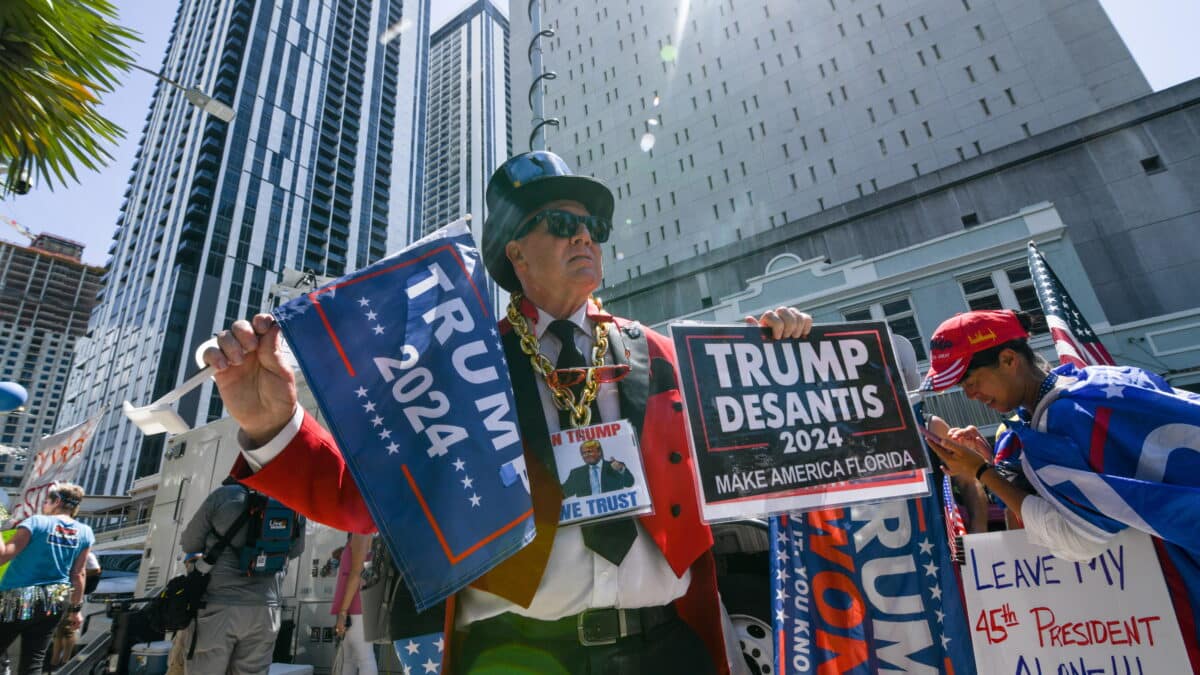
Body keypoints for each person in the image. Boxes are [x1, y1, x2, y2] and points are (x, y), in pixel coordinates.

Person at [202, 150, 813, 674]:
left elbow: (759, 456)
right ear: (516, 255)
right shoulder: (463, 368)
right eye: (559, 222)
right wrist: (272, 425)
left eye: (591, 223)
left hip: (668, 647)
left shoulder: (656, 350)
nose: (584, 235)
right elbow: (369, 502)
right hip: (519, 654)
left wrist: (779, 362)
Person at [921, 309, 1200, 669]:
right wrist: (993, 464)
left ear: (1008, 359)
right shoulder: (1100, 382)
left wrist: (980, 471)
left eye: (970, 379)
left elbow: (1079, 535)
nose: (969, 393)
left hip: (1181, 588)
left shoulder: (1059, 421)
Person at [179, 481, 306, 674]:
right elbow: (296, 551)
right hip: (265, 609)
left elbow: (189, 543)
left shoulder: (225, 496)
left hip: (218, 608)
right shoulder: (294, 503)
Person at [0, 483, 92, 674]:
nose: (43, 505)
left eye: (46, 501)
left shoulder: (37, 522)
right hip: (56, 600)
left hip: (17, 597)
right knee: (33, 660)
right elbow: (79, 574)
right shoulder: (85, 532)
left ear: (57, 501)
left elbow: (4, 555)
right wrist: (76, 610)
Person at [331, 533, 376, 675]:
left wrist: (343, 613)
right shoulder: (358, 533)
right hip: (353, 607)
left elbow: (356, 573)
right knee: (348, 659)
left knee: (364, 659)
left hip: (356, 608)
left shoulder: (361, 531)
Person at [561, 439, 634, 498]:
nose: (586, 455)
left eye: (589, 452)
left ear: (599, 452)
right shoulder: (576, 474)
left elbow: (629, 483)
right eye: (583, 453)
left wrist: (620, 470)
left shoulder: (615, 466)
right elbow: (564, 493)